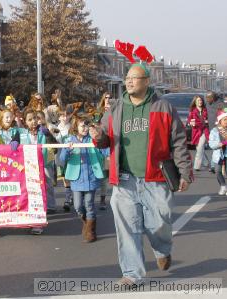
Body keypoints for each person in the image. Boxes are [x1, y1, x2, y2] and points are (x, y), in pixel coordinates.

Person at [89, 63, 192, 285]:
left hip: (156, 179)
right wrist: (98, 136)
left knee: (159, 223)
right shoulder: (115, 109)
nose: (128, 81)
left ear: (146, 81)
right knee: (127, 229)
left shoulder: (162, 107)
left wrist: (184, 172)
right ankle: (131, 273)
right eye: (127, 78)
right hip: (124, 180)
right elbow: (104, 139)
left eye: (134, 78)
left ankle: (162, 250)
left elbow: (179, 142)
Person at [59, 117, 109, 242]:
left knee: (89, 205)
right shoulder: (70, 140)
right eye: (82, 126)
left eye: (87, 126)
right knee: (77, 206)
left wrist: (104, 145)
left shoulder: (93, 139)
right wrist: (67, 150)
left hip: (91, 177)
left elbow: (105, 150)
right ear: (76, 127)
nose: (85, 129)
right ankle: (87, 223)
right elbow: (62, 158)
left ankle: (90, 231)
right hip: (76, 179)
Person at [12, 108, 58, 231]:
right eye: (30, 119)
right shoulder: (20, 132)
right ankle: (33, 210)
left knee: (47, 184)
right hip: (28, 165)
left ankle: (50, 206)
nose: (33, 121)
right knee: (32, 188)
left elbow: (55, 146)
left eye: (35, 119)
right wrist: (14, 142)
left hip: (44, 162)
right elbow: (14, 142)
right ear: (25, 121)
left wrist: (48, 134)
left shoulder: (43, 131)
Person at [187, 95, 209, 171]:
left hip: (204, 131)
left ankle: (196, 166)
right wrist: (191, 123)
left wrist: (206, 122)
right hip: (196, 132)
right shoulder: (192, 111)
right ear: (195, 102)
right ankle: (206, 163)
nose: (200, 102)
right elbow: (190, 121)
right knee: (199, 148)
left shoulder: (205, 110)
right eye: (198, 100)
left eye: (201, 100)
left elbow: (209, 119)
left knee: (200, 147)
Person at [208, 110, 227, 195]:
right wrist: (221, 144)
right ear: (220, 121)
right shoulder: (214, 131)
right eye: (225, 119)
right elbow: (211, 144)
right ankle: (223, 186)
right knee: (218, 171)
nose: (226, 121)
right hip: (218, 155)